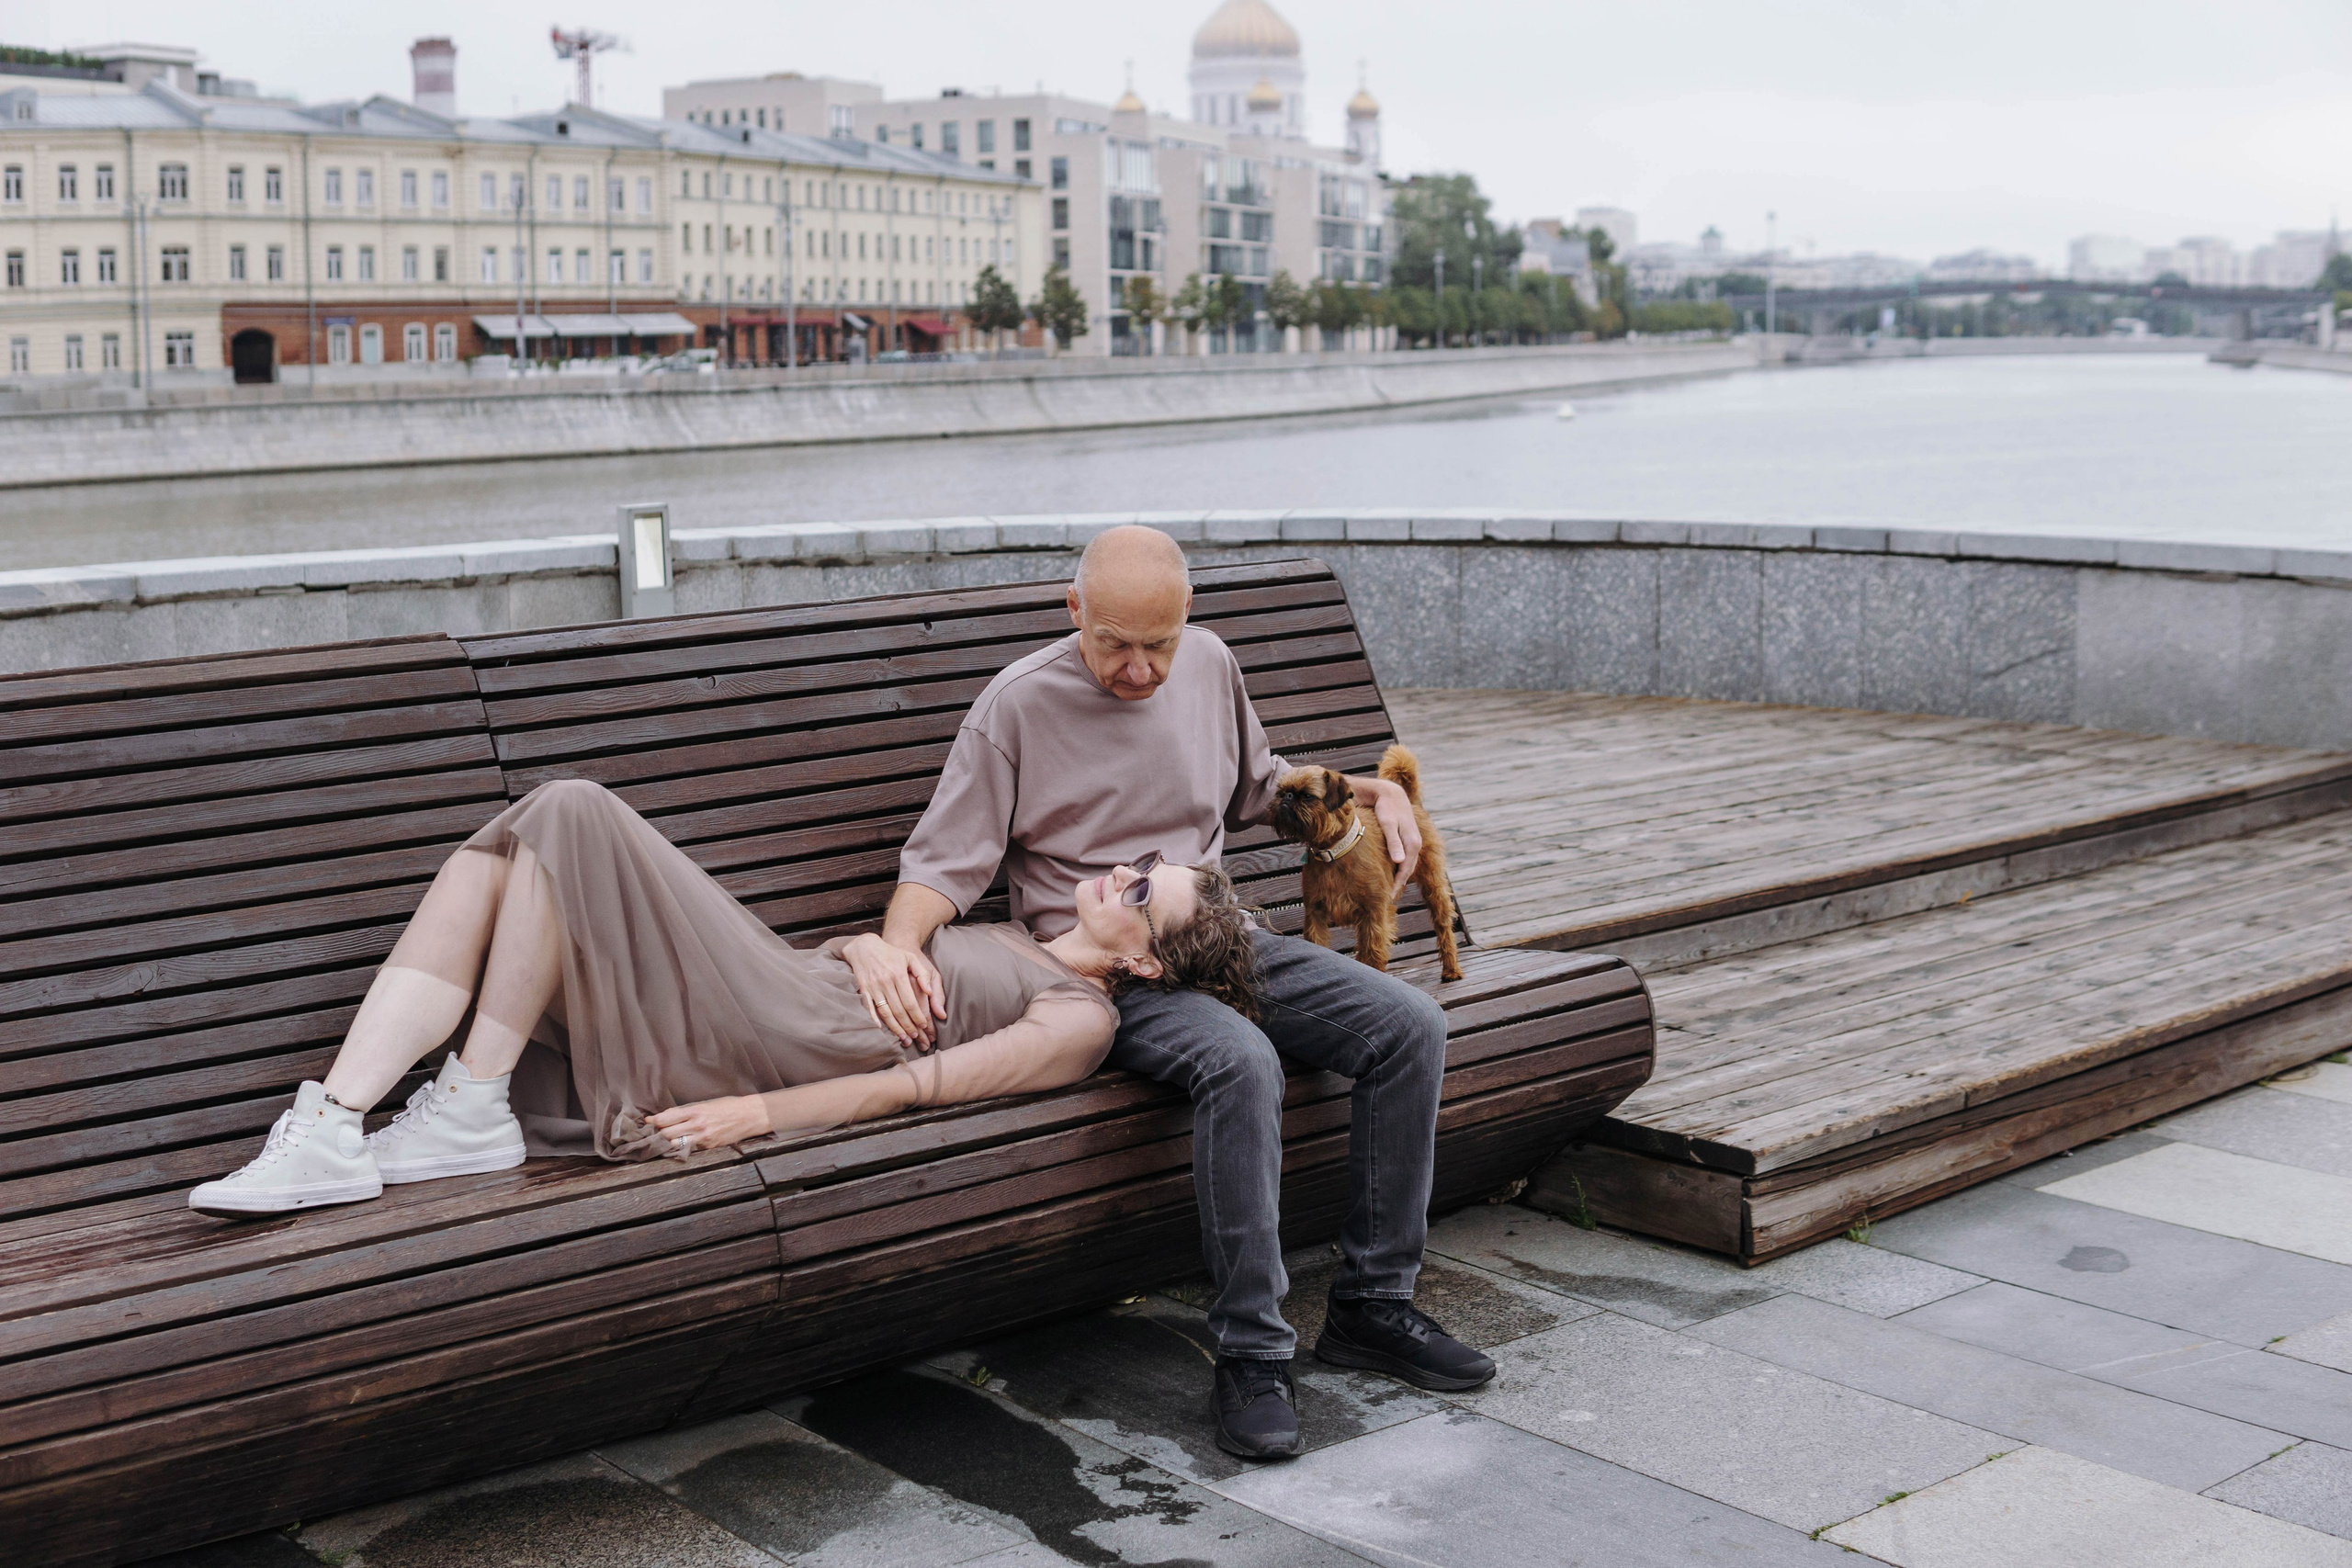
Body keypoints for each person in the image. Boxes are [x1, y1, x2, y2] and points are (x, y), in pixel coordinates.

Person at [858, 525, 1495, 1462]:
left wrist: (1368, 793)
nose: (1140, 669)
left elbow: (1257, 791)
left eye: (1159, 644)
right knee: (1238, 1061)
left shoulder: (1208, 665)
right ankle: (1251, 1352)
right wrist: (895, 946)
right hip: (1106, 965)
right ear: (1073, 612)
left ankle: (1373, 1307)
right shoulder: (1018, 707)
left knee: (1408, 1025)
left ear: (1186, 620)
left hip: (1217, 932)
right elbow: (943, 860)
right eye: (1115, 643)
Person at [188, 776, 1259, 1217]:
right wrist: (867, 942)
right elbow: (886, 973)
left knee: (568, 807)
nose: (1118, 873)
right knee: (506, 864)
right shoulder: (1022, 933)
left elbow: (919, 1088)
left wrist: (759, 1118)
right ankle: (346, 1119)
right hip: (788, 985)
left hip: (784, 1043)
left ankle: (440, 1112)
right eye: (1135, 864)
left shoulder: (1081, 1022)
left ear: (1149, 964)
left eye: (1139, 894)